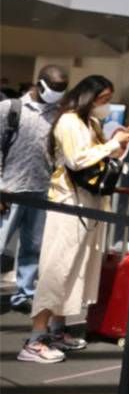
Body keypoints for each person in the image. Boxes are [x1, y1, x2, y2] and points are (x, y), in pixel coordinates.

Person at [22, 75, 129, 364]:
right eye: (103, 99)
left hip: (89, 203)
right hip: (68, 203)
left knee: (75, 268)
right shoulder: (69, 121)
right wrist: (113, 144)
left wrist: (119, 145)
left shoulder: (91, 123)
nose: (106, 105)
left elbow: (101, 163)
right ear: (90, 96)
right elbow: (77, 160)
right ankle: (35, 338)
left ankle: (57, 329)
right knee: (57, 268)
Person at [0, 65, 68, 313]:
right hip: (9, 189)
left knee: (33, 246)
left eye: (62, 90)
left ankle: (24, 293)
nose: (58, 94)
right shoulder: (10, 109)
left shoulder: (58, 114)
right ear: (39, 84)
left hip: (41, 191)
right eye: (55, 89)